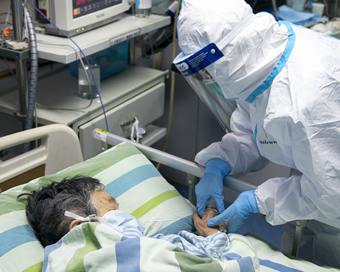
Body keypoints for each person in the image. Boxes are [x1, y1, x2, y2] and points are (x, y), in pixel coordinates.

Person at [173, 0, 340, 268]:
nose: (207, 79)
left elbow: (333, 192)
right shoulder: (256, 68)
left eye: (207, 72)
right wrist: (219, 163)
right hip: (318, 182)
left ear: (226, 58)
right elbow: (255, 130)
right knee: (298, 253)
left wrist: (258, 200)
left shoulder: (310, 95)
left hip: (334, 196)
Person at [18, 176, 230, 260]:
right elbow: (217, 259)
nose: (126, 215)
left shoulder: (153, 245)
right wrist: (212, 233)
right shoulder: (151, 246)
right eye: (114, 208)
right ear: (80, 228)